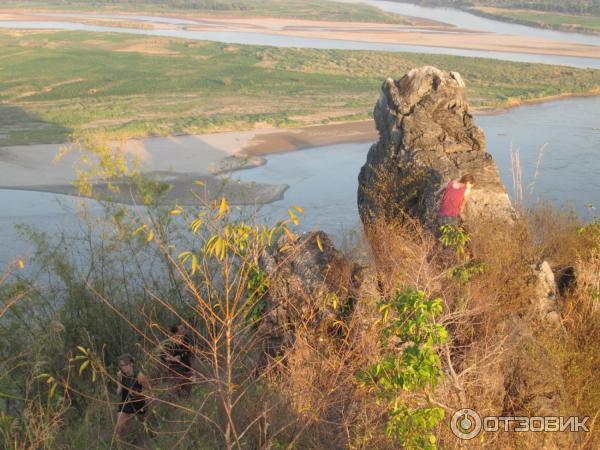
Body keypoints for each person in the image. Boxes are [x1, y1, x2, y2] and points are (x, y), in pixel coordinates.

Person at [115, 354, 151, 438]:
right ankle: (119, 444)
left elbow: (149, 391)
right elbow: (119, 390)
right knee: (119, 427)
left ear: (131, 364)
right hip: (125, 402)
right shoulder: (120, 375)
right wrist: (119, 388)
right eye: (121, 366)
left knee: (144, 422)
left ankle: (152, 434)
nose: (123, 367)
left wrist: (138, 394)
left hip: (138, 402)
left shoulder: (140, 376)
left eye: (125, 365)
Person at [161, 323, 195, 398]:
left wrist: (192, 369)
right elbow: (163, 356)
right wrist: (172, 358)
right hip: (175, 369)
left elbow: (189, 353)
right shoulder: (169, 343)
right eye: (181, 329)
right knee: (177, 391)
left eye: (183, 328)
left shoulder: (186, 339)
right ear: (176, 332)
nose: (184, 330)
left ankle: (188, 404)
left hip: (187, 367)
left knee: (188, 389)